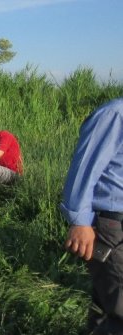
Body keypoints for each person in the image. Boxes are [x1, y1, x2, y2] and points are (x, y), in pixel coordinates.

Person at [61, 98, 123, 334]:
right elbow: (84, 167)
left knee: (105, 309)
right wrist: (79, 221)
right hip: (112, 225)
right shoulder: (115, 115)